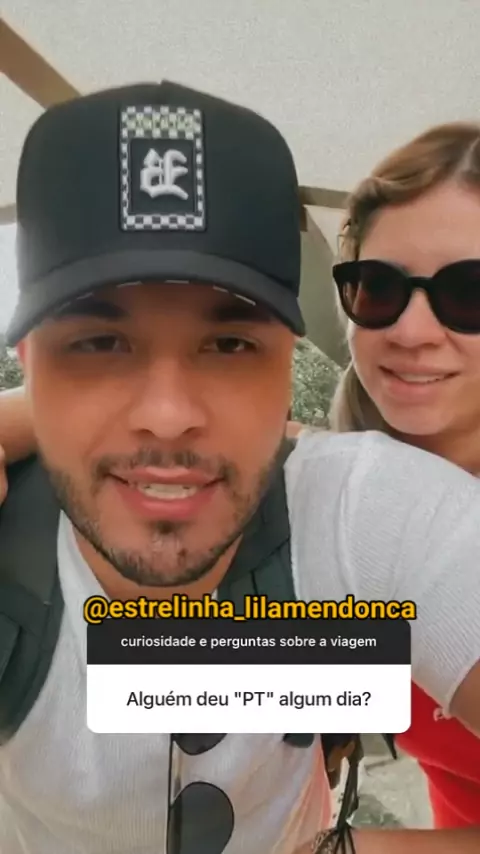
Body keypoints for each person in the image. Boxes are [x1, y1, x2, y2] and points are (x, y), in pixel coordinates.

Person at [1, 83, 480, 854]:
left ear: (285, 358)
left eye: (229, 344)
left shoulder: (377, 511)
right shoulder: (325, 481)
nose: (412, 332)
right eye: (380, 290)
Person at [329, 121, 480, 831]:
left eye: (470, 292)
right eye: (379, 287)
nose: (410, 332)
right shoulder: (344, 498)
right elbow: (154, 683)